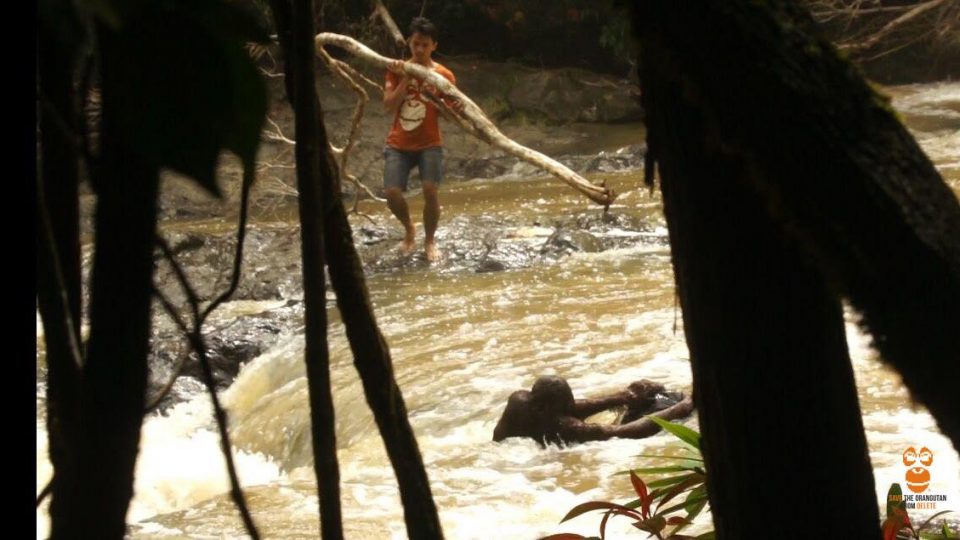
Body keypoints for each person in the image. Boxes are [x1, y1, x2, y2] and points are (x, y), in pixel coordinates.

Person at [382, 16, 462, 262]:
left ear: (434, 46)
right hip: (398, 143)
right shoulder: (396, 70)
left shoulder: (444, 76)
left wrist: (452, 106)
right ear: (409, 42)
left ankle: (430, 240)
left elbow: (448, 114)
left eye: (425, 45)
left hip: (429, 143)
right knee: (392, 193)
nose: (419, 49)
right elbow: (387, 106)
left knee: (430, 189)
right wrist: (407, 77)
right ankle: (409, 229)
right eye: (415, 43)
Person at [492, 375, 694, 446]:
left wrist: (621, 398)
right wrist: (680, 408)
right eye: (563, 410)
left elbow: (573, 407)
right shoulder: (568, 428)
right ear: (541, 407)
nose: (568, 413)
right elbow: (632, 431)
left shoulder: (519, 402)